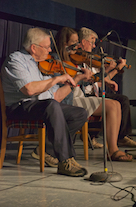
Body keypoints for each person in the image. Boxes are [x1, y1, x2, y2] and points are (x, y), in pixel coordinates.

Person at [1, 27, 95, 177]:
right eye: (46, 47)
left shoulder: (41, 65)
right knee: (51, 106)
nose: (50, 50)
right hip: (18, 107)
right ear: (34, 47)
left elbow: (56, 96)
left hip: (41, 106)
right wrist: (57, 79)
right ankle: (65, 160)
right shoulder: (16, 60)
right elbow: (29, 90)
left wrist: (76, 79)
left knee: (79, 113)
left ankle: (48, 151)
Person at [50, 26, 132, 162]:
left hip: (78, 95)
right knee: (112, 105)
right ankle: (113, 150)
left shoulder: (75, 59)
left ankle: (114, 147)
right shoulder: (55, 60)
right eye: (74, 43)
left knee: (117, 104)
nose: (77, 46)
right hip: (68, 98)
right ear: (65, 44)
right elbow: (63, 84)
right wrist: (82, 78)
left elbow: (88, 81)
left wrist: (89, 77)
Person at [78, 27, 136, 148]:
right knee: (116, 102)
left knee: (123, 99)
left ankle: (120, 136)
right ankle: (98, 136)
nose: (94, 46)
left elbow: (100, 80)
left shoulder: (92, 61)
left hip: (94, 92)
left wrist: (115, 69)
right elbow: (95, 81)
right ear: (83, 42)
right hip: (85, 94)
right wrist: (110, 69)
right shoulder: (78, 60)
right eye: (92, 41)